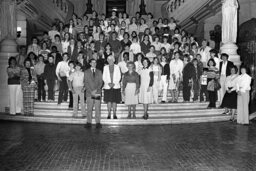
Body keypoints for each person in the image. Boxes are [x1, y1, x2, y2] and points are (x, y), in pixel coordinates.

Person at [84, 59, 103, 129]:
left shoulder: (99, 71)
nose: (94, 64)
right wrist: (91, 91)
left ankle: (98, 122)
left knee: (97, 108)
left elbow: (101, 82)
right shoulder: (86, 72)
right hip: (89, 93)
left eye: (95, 62)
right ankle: (89, 122)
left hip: (97, 92)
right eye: (92, 62)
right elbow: (85, 82)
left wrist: (96, 90)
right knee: (89, 108)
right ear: (90, 63)